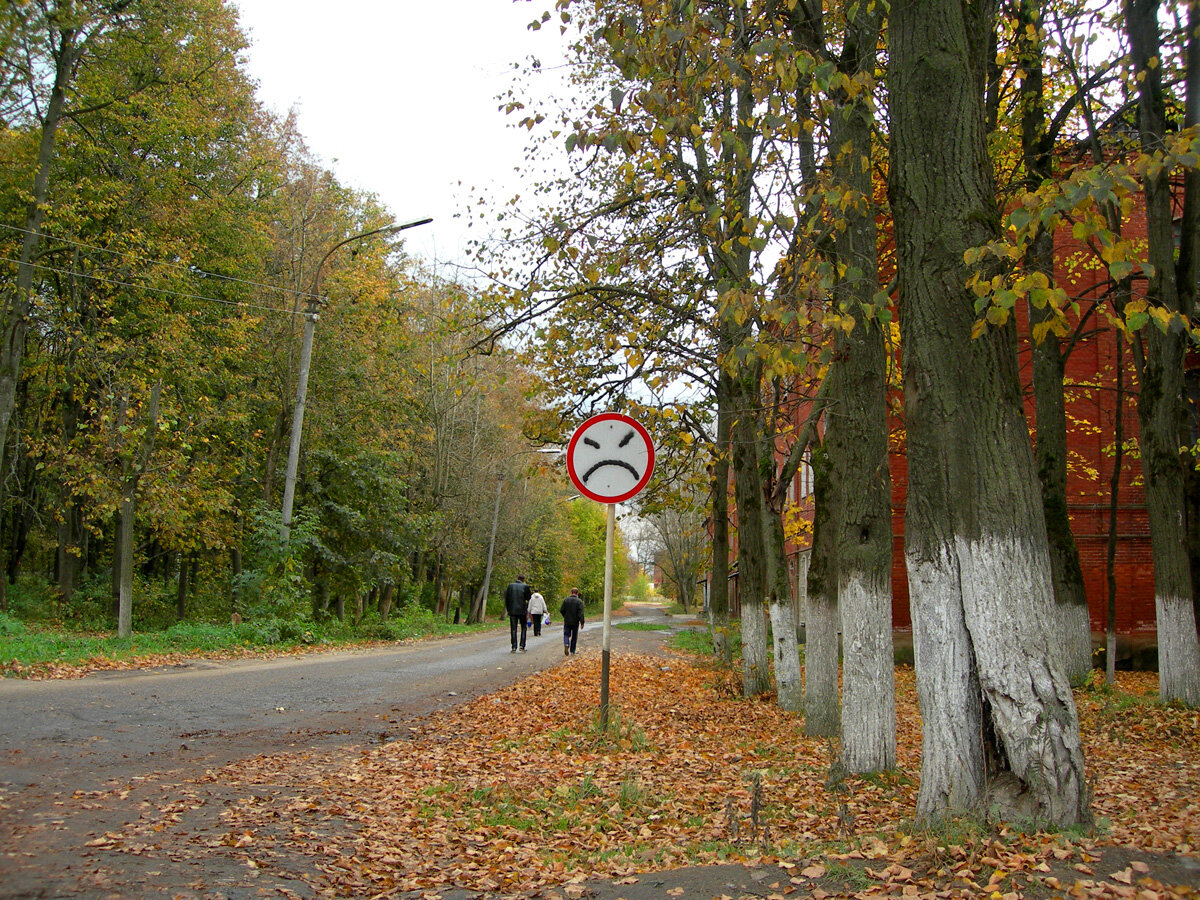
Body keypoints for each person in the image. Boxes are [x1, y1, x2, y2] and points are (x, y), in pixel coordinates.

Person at [504, 574, 532, 652]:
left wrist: (509, 609)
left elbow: (507, 598)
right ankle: (522, 646)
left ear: (517, 578)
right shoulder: (525, 586)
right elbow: (528, 598)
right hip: (522, 610)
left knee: (513, 629)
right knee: (523, 627)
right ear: (523, 579)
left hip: (512, 610)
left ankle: (513, 647)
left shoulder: (510, 586)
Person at [559, 588, 585, 656]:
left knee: (566, 634)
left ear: (571, 592)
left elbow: (561, 610)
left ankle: (566, 643)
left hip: (567, 621)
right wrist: (582, 622)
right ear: (577, 593)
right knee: (574, 636)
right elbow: (581, 613)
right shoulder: (579, 601)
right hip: (575, 622)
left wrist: (565, 616)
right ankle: (572, 650)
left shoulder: (566, 600)